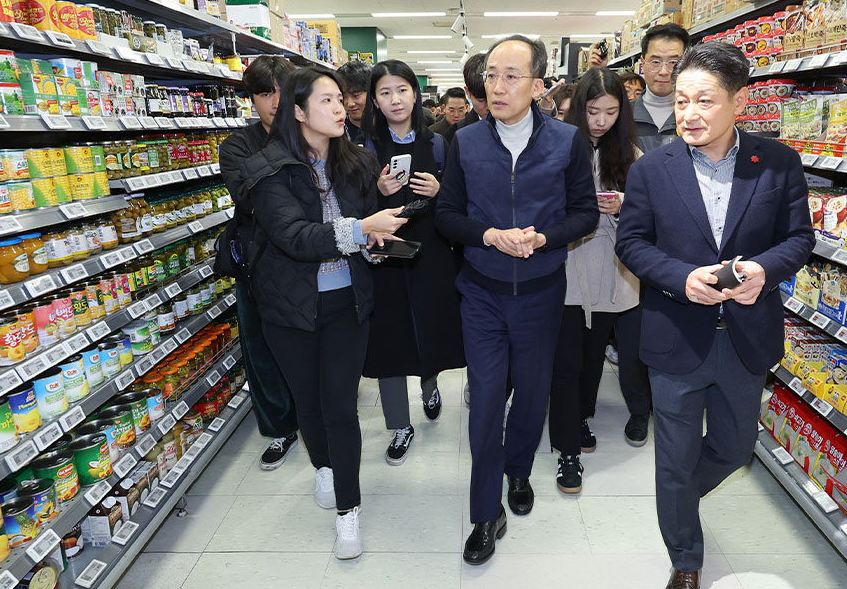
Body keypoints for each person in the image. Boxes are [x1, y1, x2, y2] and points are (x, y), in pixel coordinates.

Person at [614, 42, 813, 589]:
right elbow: (631, 243)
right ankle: (685, 558)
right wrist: (682, 278)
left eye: (705, 100)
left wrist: (763, 273)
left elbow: (798, 238)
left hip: (746, 335)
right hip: (676, 333)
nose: (690, 114)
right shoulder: (653, 168)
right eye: (681, 102)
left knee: (733, 447)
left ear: (738, 103)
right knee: (675, 455)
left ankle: (674, 499)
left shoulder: (776, 162)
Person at [436, 35, 598, 566]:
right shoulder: (466, 142)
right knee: (485, 401)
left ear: (538, 85)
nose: (498, 86)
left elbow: (584, 214)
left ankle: (520, 469)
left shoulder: (569, 141)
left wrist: (543, 238)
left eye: (511, 76)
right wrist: (487, 235)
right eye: (490, 75)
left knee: (531, 393)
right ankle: (485, 511)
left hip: (540, 290)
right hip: (481, 292)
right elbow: (448, 216)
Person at [239, 67, 408, 561]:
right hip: (289, 308)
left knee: (339, 407)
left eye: (341, 99)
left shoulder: (356, 161)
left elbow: (366, 227)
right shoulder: (268, 169)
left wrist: (377, 241)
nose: (341, 109)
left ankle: (348, 513)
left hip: (346, 304)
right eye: (328, 100)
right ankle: (324, 468)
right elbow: (292, 237)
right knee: (308, 404)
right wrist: (360, 229)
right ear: (297, 111)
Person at [363, 60, 465, 465]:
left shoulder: (439, 142)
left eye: (402, 90)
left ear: (415, 93)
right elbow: (353, 208)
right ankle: (398, 425)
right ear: (374, 100)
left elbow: (458, 202)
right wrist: (377, 189)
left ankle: (429, 382)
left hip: (431, 250)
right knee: (390, 336)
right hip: (385, 252)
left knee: (429, 325)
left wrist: (441, 189)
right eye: (385, 92)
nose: (395, 99)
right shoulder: (363, 147)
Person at [550, 69, 643, 494]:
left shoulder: (631, 155)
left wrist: (624, 206)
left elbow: (648, 222)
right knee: (567, 360)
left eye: (610, 112)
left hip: (610, 269)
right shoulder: (556, 148)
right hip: (567, 266)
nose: (601, 121)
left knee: (591, 356)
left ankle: (581, 416)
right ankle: (567, 448)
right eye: (592, 112)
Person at [217, 55, 300, 470]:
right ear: (252, 98)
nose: (274, 101)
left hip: (307, 261)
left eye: (282, 91)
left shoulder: (315, 135)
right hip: (256, 262)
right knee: (260, 348)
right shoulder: (236, 146)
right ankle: (280, 427)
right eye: (265, 93)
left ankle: (314, 414)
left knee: (309, 345)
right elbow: (248, 198)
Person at [631, 24, 690, 152]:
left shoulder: (695, 116)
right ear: (642, 63)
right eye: (655, 62)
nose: (664, 71)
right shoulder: (623, 114)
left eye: (673, 63)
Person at [453, 52, 490, 134]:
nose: (488, 106)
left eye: (492, 98)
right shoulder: (456, 133)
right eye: (481, 100)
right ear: (468, 92)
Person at [337, 60, 370, 143]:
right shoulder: (337, 132)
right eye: (343, 97)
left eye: (356, 95)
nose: (350, 103)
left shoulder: (389, 128)